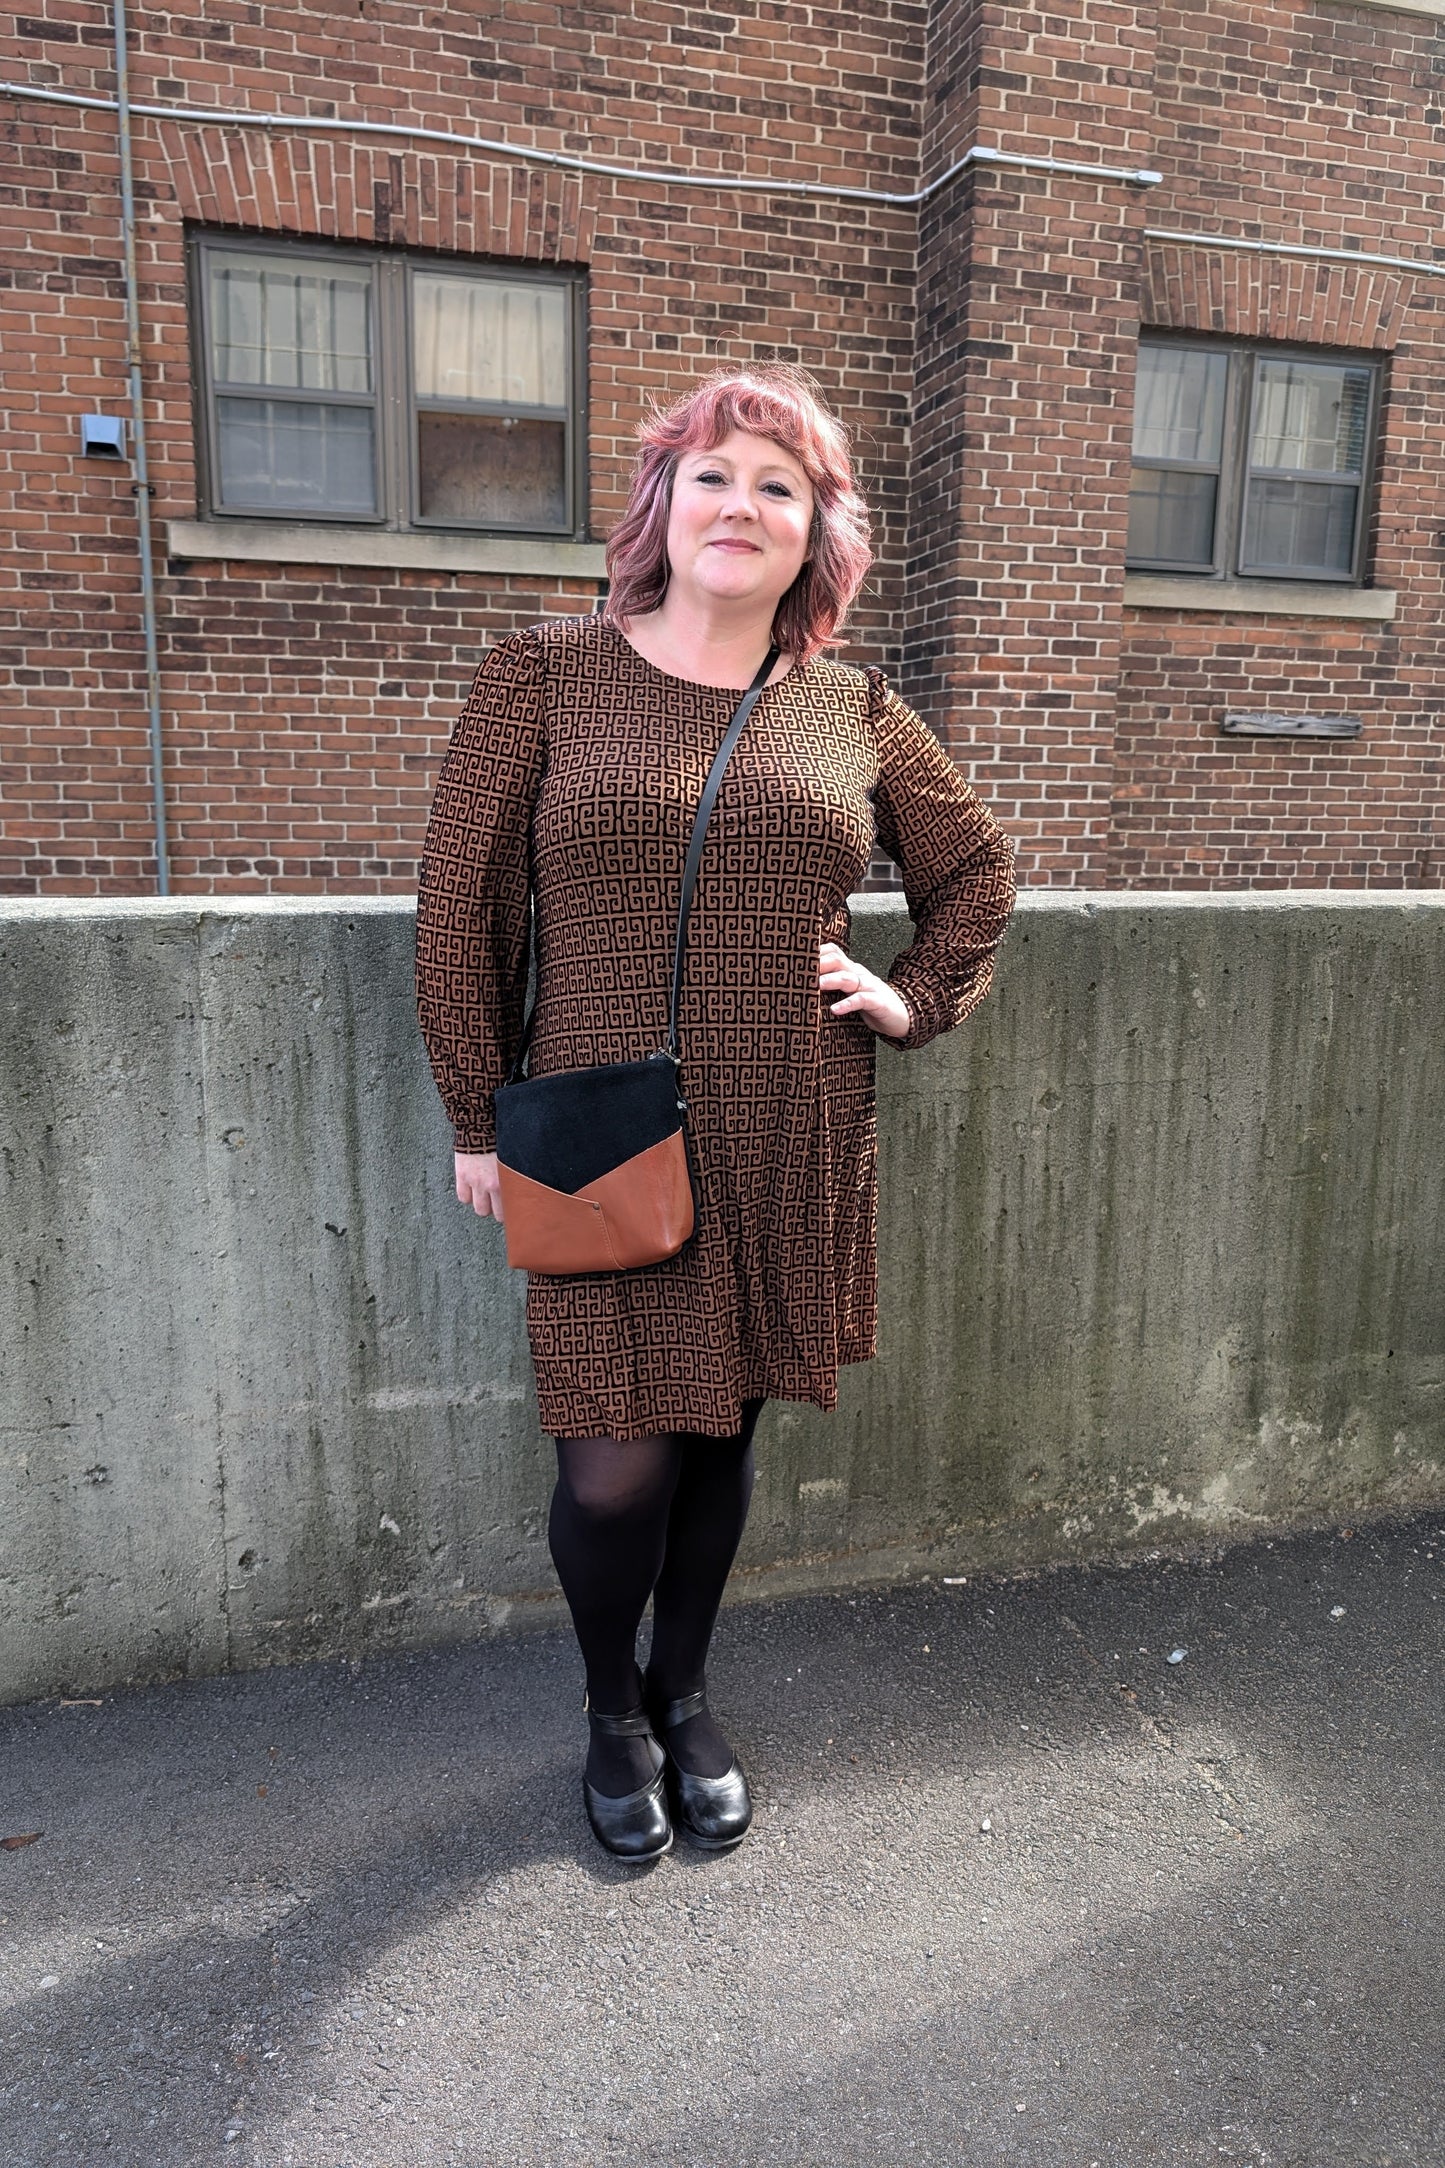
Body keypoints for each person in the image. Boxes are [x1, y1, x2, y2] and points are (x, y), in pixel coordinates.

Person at [414, 363, 1015, 1865]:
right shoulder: (541, 677)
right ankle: (609, 1709)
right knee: (613, 1465)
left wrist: (906, 995)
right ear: (661, 505)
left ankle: (683, 1695)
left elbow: (975, 877)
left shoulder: (853, 708)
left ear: (816, 532)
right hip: (593, 1131)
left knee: (718, 1435)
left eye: (777, 485)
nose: (739, 504)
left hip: (785, 1118)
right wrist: (477, 1123)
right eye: (712, 476)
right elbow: (457, 915)